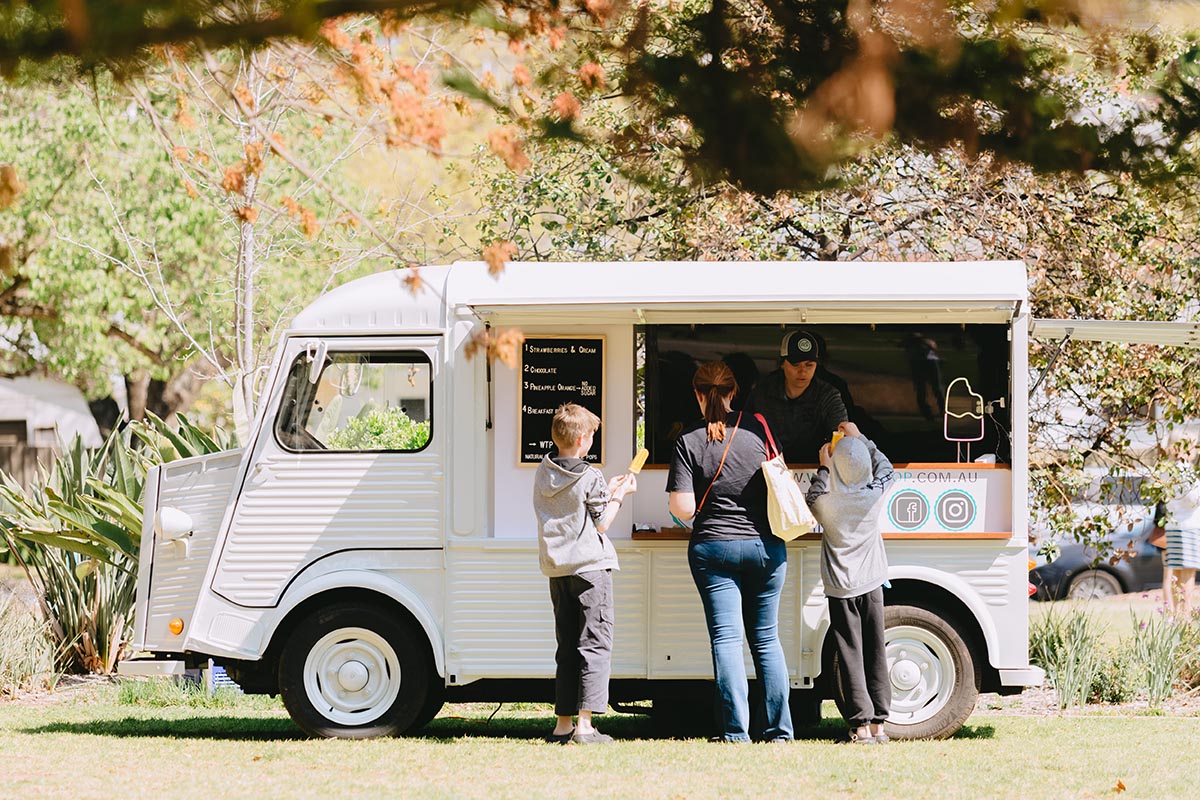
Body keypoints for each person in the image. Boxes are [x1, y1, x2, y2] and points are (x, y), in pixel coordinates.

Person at [667, 361, 793, 743]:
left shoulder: (687, 439)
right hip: (765, 548)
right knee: (767, 639)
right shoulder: (759, 427)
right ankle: (779, 731)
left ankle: (737, 733)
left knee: (726, 640)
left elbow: (683, 508)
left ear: (697, 394)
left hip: (714, 548)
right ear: (733, 392)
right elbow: (780, 480)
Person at [533, 403, 637, 744]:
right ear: (581, 438)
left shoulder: (544, 472)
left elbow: (575, 503)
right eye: (592, 435)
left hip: (558, 570)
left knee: (566, 646)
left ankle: (563, 725)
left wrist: (605, 488)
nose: (593, 440)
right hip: (591, 570)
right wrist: (619, 494)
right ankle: (586, 726)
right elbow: (603, 523)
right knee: (593, 644)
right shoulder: (589, 475)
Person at [806, 421, 895, 744]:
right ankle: (879, 726)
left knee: (850, 653)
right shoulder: (873, 496)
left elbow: (814, 492)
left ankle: (859, 727)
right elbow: (887, 470)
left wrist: (824, 466)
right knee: (876, 650)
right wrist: (862, 440)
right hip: (872, 585)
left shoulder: (825, 504)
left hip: (841, 588)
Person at [746, 329, 847, 463]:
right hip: (770, 467)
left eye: (809, 365)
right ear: (782, 364)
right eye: (795, 364)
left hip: (817, 469)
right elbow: (745, 433)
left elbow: (842, 436)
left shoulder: (828, 396)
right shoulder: (762, 392)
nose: (803, 371)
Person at [1161, 476, 1200, 616]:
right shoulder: (1185, 471)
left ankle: (1177, 617)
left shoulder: (1167, 470)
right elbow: (1193, 500)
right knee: (1188, 575)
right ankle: (1185, 617)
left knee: (1176, 575)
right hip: (1188, 527)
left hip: (1173, 525)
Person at [900, 331, 944, 420]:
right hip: (920, 364)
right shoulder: (911, 346)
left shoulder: (926, 343)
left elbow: (933, 346)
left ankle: (942, 411)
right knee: (922, 390)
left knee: (936, 389)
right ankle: (928, 413)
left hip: (929, 364)